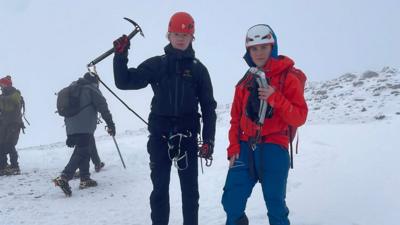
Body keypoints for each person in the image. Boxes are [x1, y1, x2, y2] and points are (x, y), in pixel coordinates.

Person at [113, 11, 217, 225]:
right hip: (159, 139)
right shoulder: (157, 65)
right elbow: (124, 82)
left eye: (185, 35)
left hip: (187, 138)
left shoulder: (199, 70)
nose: (180, 38)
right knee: (159, 191)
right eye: (176, 33)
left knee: (190, 193)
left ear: (192, 38)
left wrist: (208, 141)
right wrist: (120, 56)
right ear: (168, 35)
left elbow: (208, 108)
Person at [221, 24, 308, 225]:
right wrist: (233, 147)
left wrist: (275, 97)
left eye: (263, 47)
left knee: (276, 206)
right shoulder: (245, 81)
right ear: (248, 51)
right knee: (231, 202)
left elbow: (299, 117)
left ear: (272, 47)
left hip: (274, 148)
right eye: (254, 48)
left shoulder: (289, 77)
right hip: (244, 147)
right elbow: (235, 118)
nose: (258, 53)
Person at [53, 72, 115, 196]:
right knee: (82, 150)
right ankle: (64, 177)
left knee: (85, 148)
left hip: (71, 126)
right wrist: (110, 124)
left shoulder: (73, 88)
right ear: (95, 81)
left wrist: (69, 134)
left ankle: (85, 179)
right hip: (85, 125)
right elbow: (103, 107)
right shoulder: (91, 89)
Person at [0, 75, 24, 176]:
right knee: (1, 144)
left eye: (2, 84)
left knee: (10, 144)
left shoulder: (16, 93)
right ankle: (3, 166)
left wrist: (2, 99)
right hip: (4, 124)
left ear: (7, 84)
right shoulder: (2, 96)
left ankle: (15, 167)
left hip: (13, 124)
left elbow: (11, 105)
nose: (1, 86)